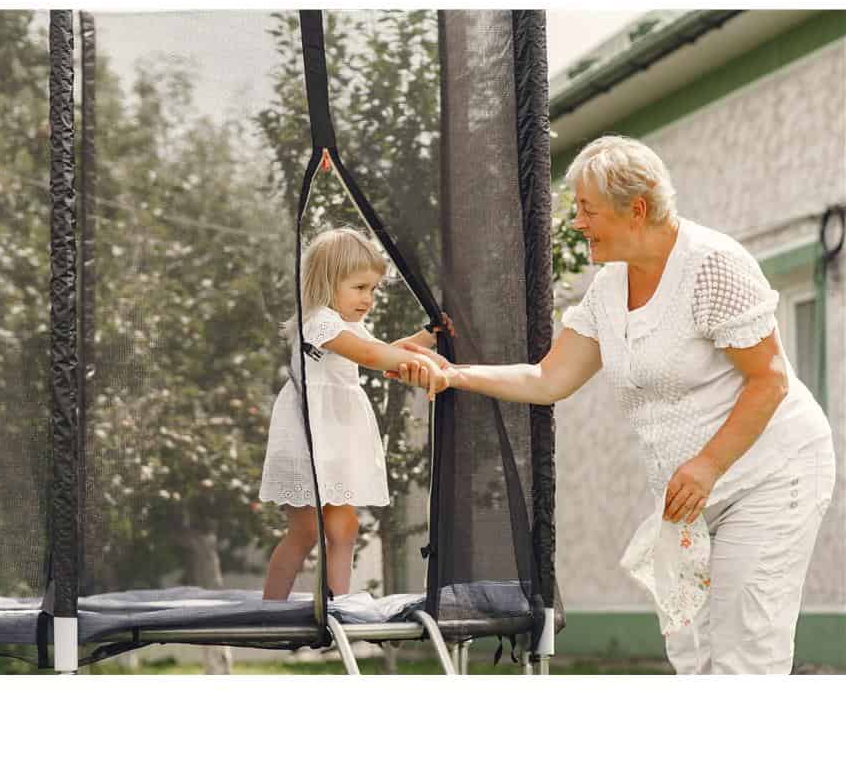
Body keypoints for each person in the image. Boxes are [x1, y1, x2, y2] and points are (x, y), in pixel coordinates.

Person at [389, 135, 836, 674]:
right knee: (693, 656)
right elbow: (548, 377)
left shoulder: (712, 265)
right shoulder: (609, 288)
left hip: (769, 477)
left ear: (637, 209)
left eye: (588, 209)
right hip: (689, 496)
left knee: (745, 657)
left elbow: (770, 380)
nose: (578, 223)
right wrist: (453, 374)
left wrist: (708, 464)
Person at [259, 227, 453, 600]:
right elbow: (370, 355)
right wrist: (427, 364)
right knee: (305, 531)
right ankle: (272, 606)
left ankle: (339, 604)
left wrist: (427, 336)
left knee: (344, 528)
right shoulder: (319, 321)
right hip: (308, 440)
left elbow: (382, 349)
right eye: (360, 287)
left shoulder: (347, 325)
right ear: (327, 283)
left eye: (373, 289)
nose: (369, 298)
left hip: (333, 441)